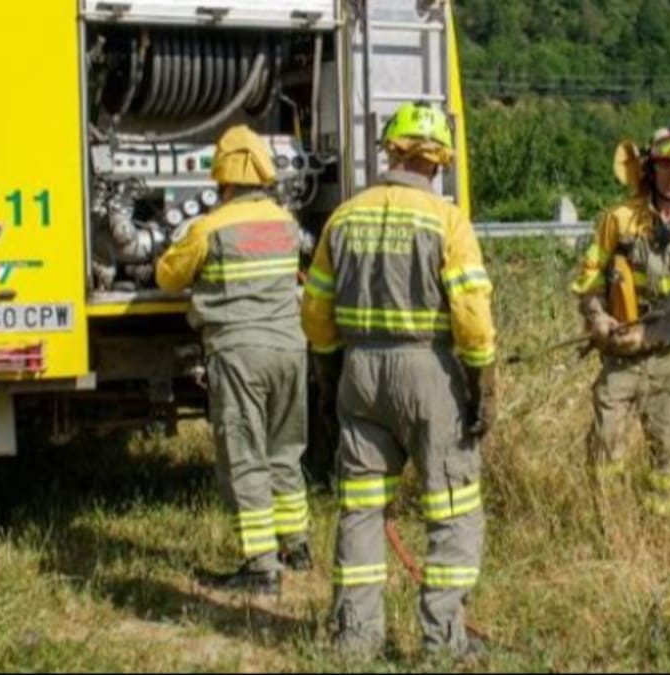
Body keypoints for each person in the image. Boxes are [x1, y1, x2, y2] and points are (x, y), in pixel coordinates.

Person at [301, 101, 497, 659]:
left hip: (359, 373)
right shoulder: (447, 221)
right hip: (428, 372)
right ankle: (443, 640)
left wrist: (331, 375)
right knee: (452, 506)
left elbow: (315, 314)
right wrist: (481, 385)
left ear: (390, 150)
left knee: (362, 508)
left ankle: (356, 638)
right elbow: (472, 319)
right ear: (439, 161)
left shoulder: (344, 217)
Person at [156, 125, 312, 594]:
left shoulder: (209, 228)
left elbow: (167, 277)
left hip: (240, 354)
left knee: (245, 458)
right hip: (290, 350)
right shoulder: (286, 222)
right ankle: (298, 547)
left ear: (220, 175)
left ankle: (261, 568)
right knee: (285, 451)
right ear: (264, 170)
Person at [570, 126, 670, 515]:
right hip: (619, 357)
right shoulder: (619, 219)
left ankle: (659, 527)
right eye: (665, 165)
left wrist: (645, 334)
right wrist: (597, 318)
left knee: (668, 454)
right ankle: (611, 526)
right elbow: (589, 281)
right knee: (605, 446)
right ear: (650, 169)